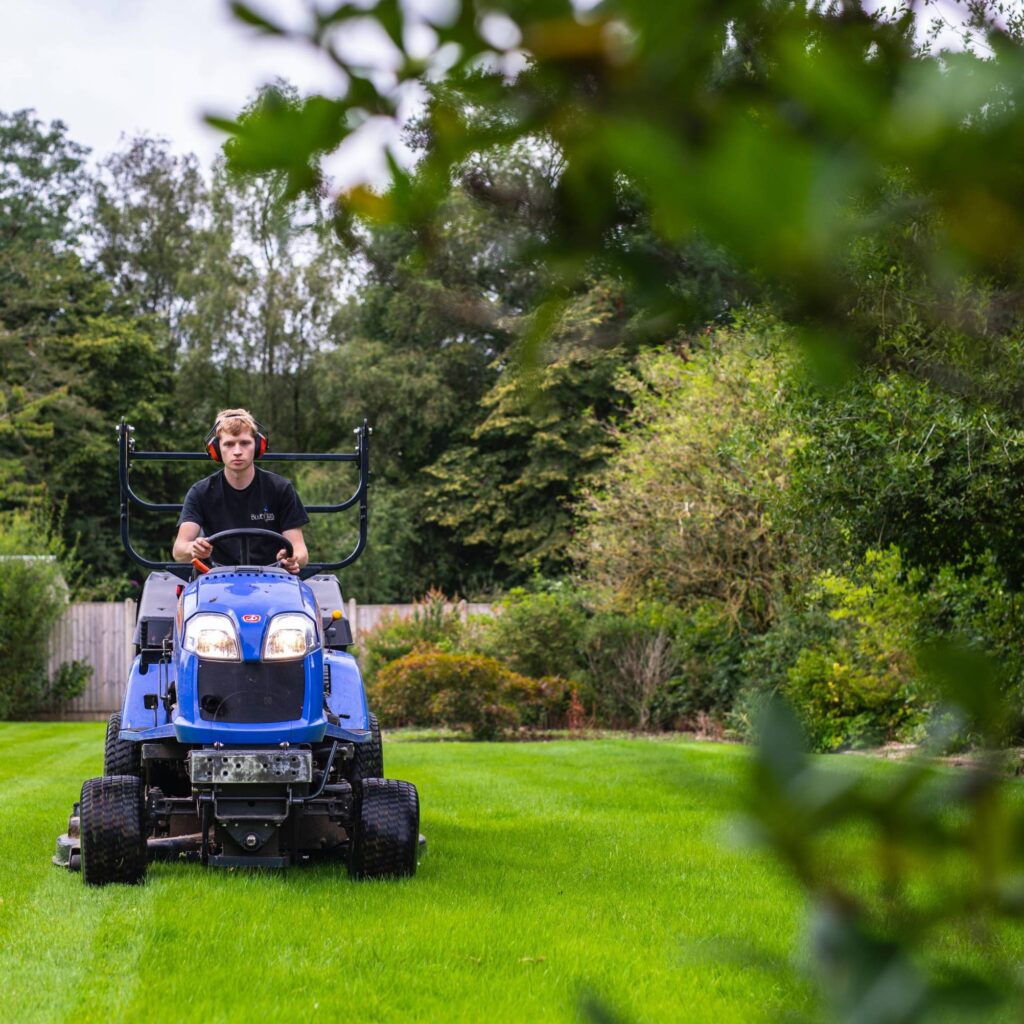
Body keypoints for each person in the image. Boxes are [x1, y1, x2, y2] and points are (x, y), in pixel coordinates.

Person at [172, 408, 309, 574]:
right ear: (216, 449)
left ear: (258, 446)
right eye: (229, 444)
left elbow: (300, 552)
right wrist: (193, 548)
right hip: (215, 580)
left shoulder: (281, 488)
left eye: (244, 443)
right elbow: (179, 550)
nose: (237, 451)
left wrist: (292, 558)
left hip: (272, 580)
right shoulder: (201, 492)